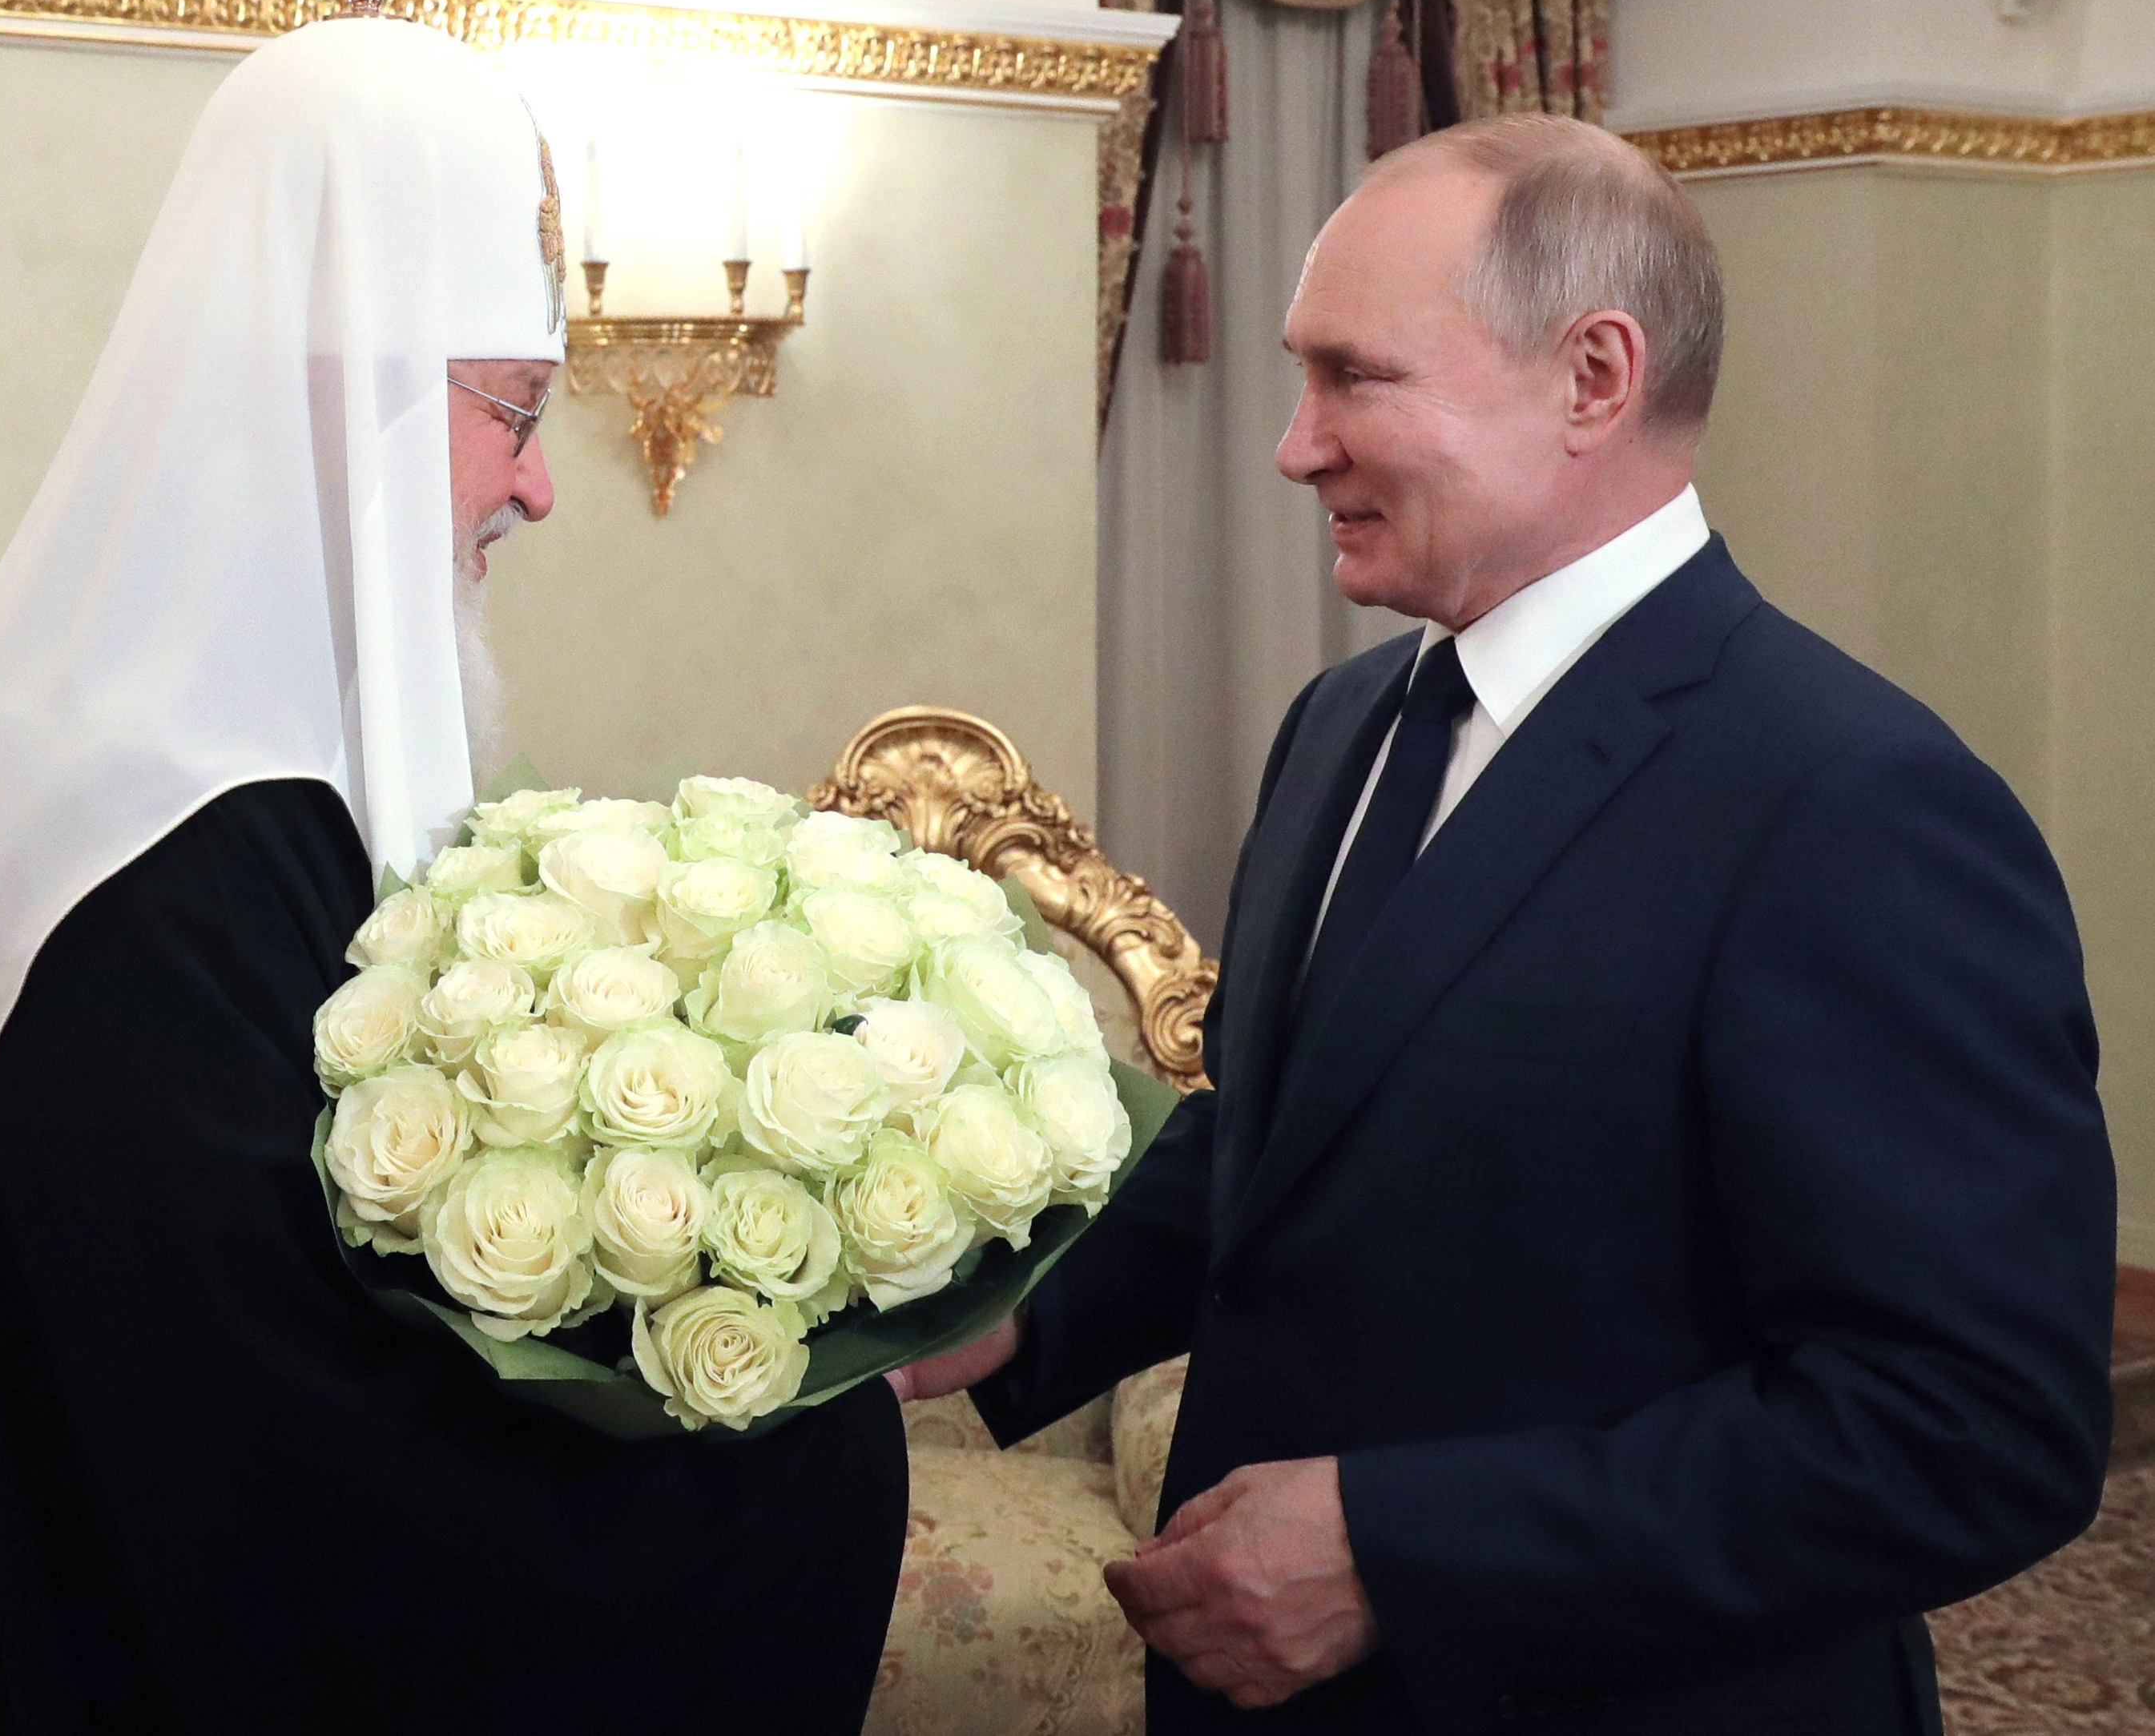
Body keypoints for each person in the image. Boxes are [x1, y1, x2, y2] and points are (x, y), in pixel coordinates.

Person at [0, 12, 907, 1733]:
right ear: (335, 384)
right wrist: (793, 1452)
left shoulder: (112, 747)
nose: (532, 489)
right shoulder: (167, 833)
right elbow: (276, 1467)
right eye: (511, 407)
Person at [900, 114, 2115, 1733]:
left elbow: (1972, 1426)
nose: (1291, 445)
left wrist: (1400, 1558)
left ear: (1591, 378)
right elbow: (1280, 1142)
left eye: (1354, 379)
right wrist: (1017, 1304)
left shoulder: (1851, 805)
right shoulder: (1341, 724)